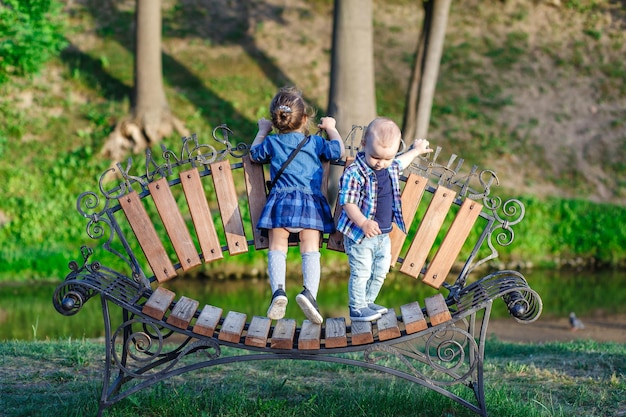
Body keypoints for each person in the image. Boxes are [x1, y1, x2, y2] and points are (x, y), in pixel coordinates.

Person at [250, 86, 345, 324]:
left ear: (276, 120)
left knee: (277, 248)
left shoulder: (272, 143)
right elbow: (338, 151)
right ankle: (309, 294)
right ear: (305, 119)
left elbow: (254, 154)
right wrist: (331, 128)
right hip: (310, 206)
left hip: (280, 205)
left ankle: (278, 292)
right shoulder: (314, 142)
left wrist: (262, 131)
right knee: (311, 251)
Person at [336, 117, 432, 322]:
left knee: (380, 270)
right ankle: (357, 307)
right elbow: (348, 202)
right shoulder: (355, 172)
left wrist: (416, 150)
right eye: (375, 157)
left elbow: (401, 162)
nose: (381, 163)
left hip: (383, 236)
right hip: (360, 235)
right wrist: (363, 222)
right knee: (362, 272)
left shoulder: (390, 166)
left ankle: (368, 302)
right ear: (364, 144)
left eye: (387, 158)